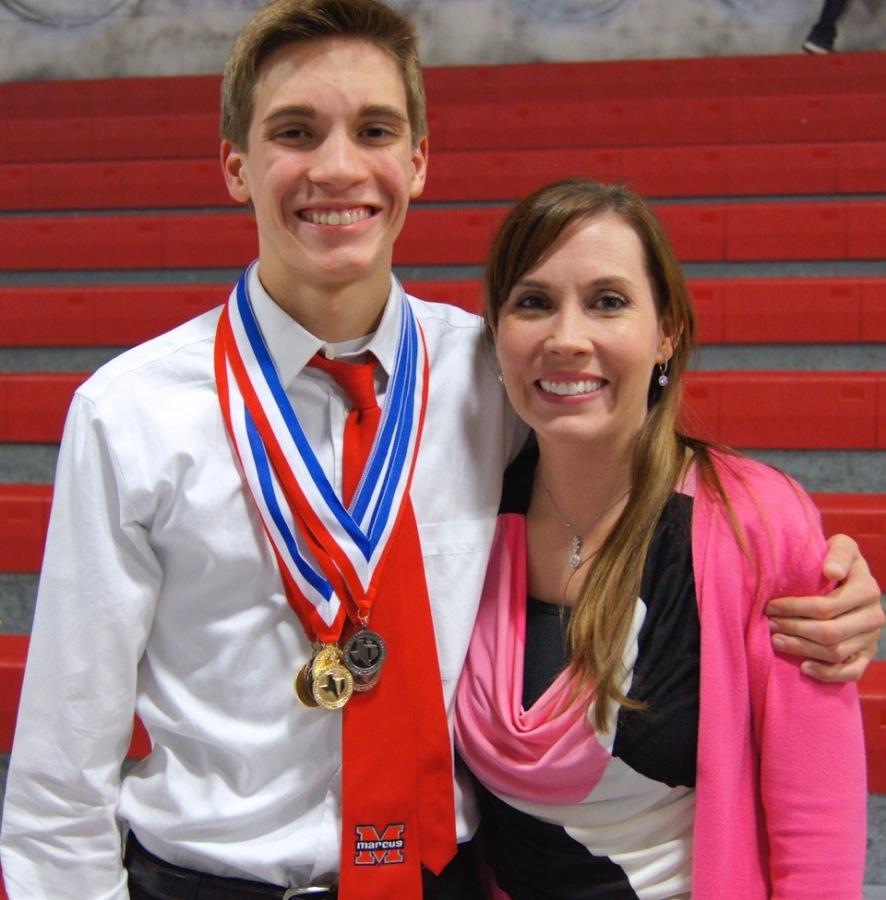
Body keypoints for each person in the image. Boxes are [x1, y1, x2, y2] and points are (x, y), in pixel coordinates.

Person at [0, 2, 880, 897]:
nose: (338, 166)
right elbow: (62, 765)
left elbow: (632, 445)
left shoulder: (485, 371)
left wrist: (819, 573)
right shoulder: (130, 415)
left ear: (418, 159)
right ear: (237, 165)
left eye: (374, 129)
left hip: (440, 878)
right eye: (295, 131)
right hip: (210, 880)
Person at [455, 178, 869, 899]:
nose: (566, 338)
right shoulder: (468, 515)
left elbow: (817, 831)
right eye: (533, 302)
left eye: (608, 302)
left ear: (667, 332)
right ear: (497, 336)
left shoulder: (756, 525)